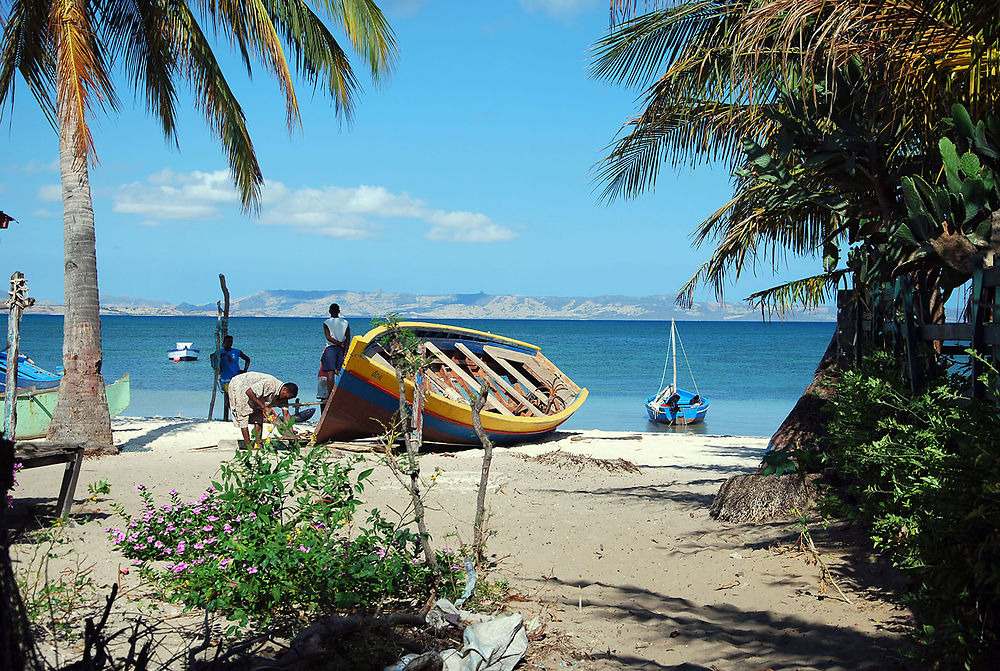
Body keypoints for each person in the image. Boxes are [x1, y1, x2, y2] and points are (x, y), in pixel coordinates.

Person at [227, 372, 298, 447]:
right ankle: (249, 446)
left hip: (256, 393)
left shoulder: (283, 397)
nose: (286, 399)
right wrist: (264, 407)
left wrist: (291, 434)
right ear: (284, 389)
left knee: (258, 418)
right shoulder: (270, 384)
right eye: (287, 397)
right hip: (240, 386)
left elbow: (286, 415)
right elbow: (249, 392)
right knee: (243, 416)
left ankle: (258, 444)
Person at [214, 335, 250, 421]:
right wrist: (225, 355)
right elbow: (212, 358)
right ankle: (230, 417)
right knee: (228, 399)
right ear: (224, 343)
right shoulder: (220, 352)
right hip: (226, 379)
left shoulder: (236, 351)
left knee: (238, 398)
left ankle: (240, 415)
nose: (229, 344)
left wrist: (244, 370)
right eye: (228, 342)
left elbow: (247, 359)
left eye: (231, 342)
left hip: (237, 378)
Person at [319, 303, 351, 401]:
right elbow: (348, 337)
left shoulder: (326, 322)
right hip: (341, 349)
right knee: (341, 371)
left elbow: (328, 337)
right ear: (339, 311)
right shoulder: (345, 322)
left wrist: (338, 343)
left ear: (329, 311)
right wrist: (345, 349)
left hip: (331, 348)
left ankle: (331, 395)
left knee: (330, 372)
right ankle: (343, 392)